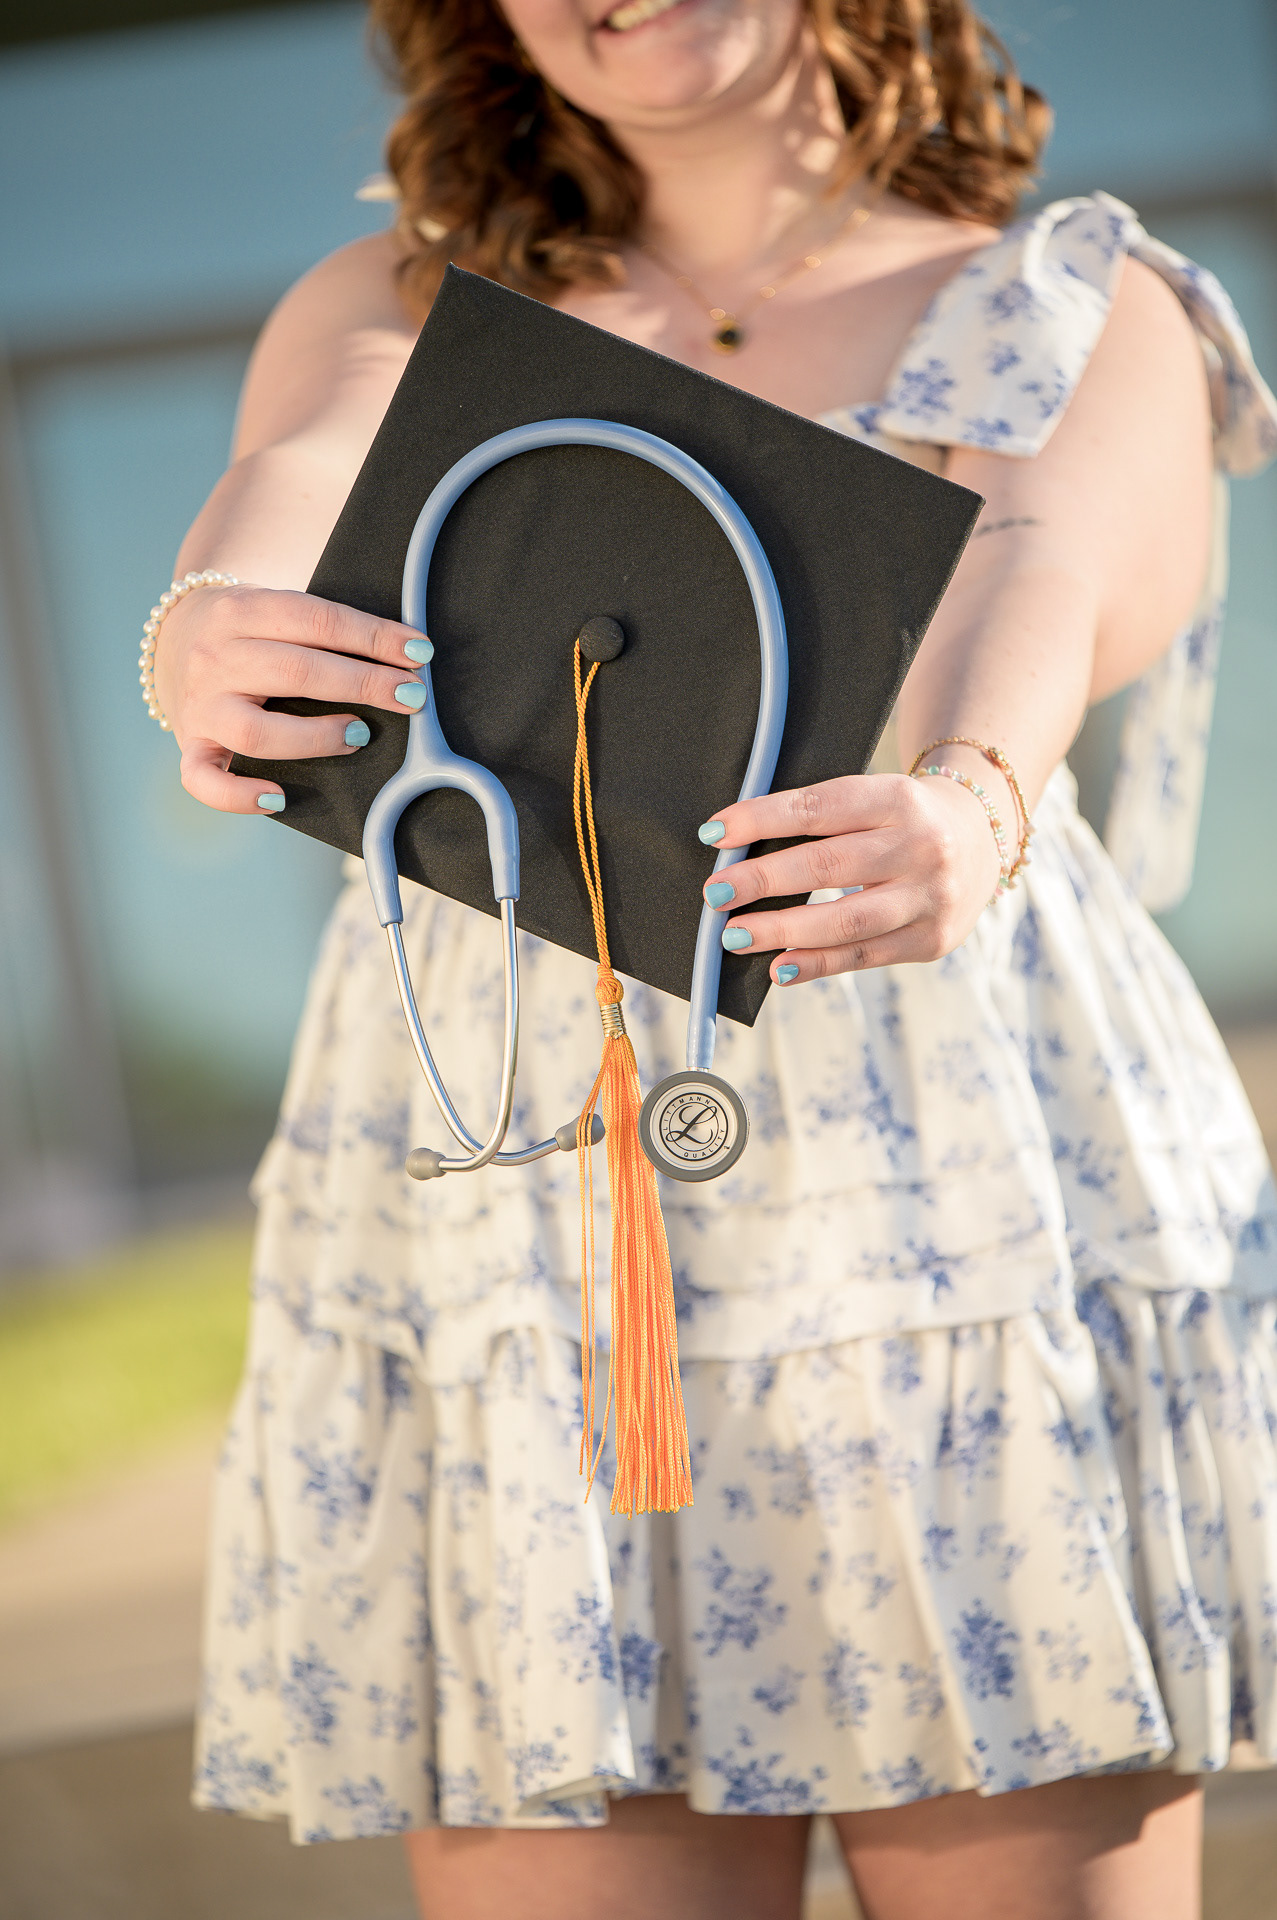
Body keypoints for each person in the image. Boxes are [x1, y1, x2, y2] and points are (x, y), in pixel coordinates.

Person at [165, 1, 1277, 1914]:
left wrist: (973, 799)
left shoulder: (1076, 292)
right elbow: (305, 469)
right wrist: (205, 623)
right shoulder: (401, 293)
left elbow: (1035, 555)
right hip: (526, 1196)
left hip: (956, 1191)